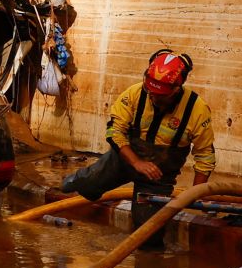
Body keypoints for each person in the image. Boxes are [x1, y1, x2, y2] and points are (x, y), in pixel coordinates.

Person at [60, 51, 214, 249]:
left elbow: (205, 156)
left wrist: (194, 193)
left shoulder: (197, 110)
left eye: (161, 96)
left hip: (157, 177)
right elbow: (114, 132)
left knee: (148, 236)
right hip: (123, 160)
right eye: (151, 93)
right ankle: (72, 181)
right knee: (88, 183)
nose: (154, 99)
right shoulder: (134, 94)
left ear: (177, 89)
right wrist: (137, 163)